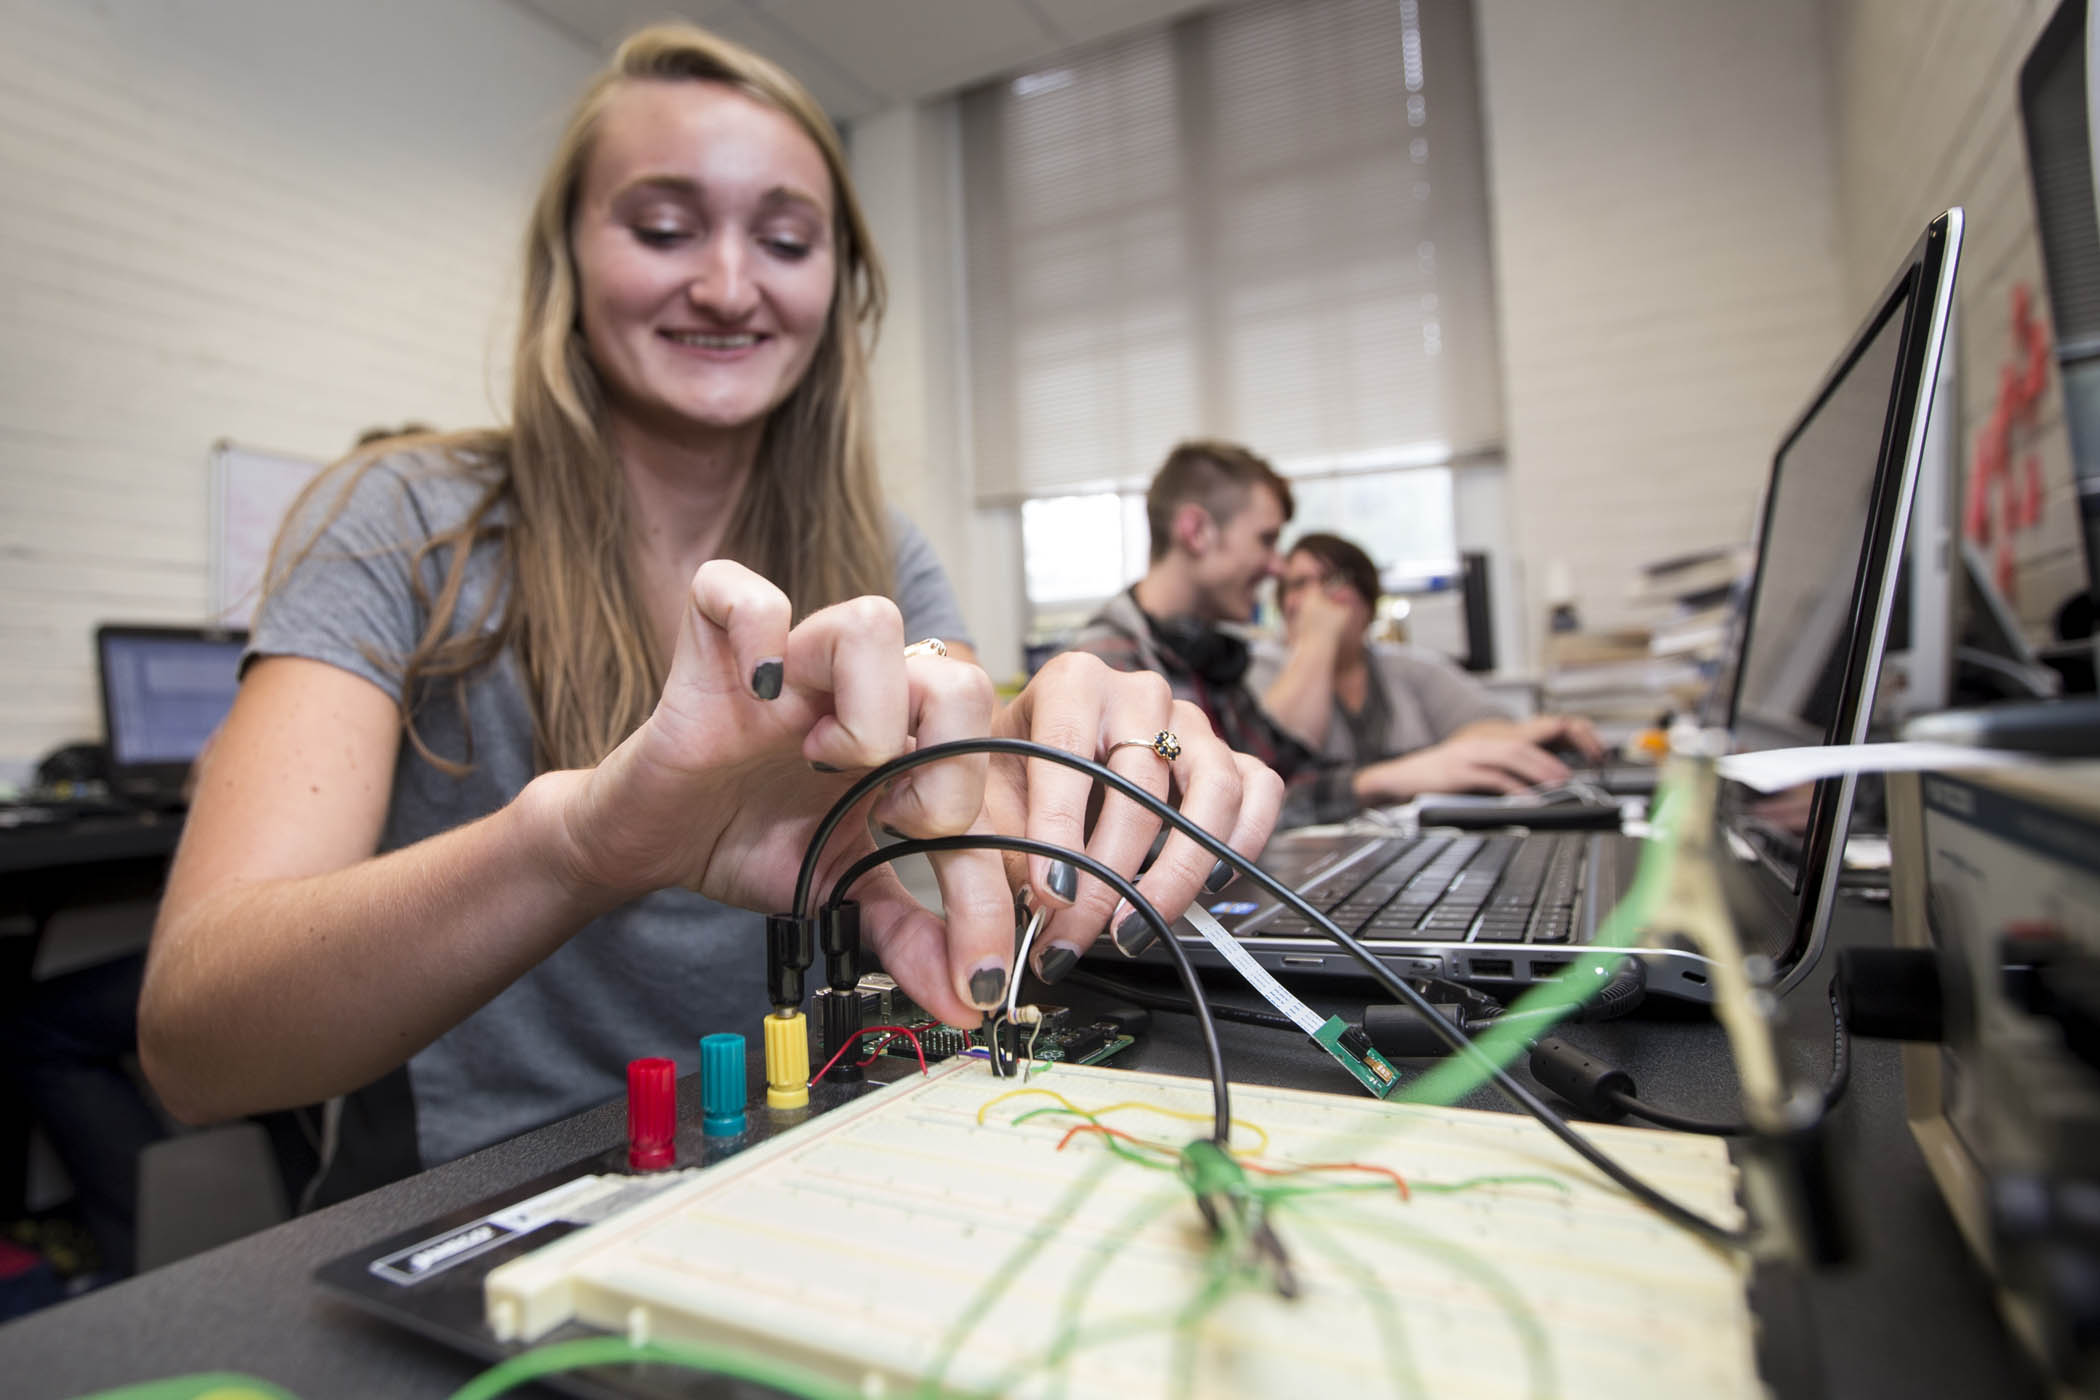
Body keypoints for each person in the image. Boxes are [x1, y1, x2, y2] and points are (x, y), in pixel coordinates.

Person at [137, 25, 1280, 1205]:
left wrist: (1052, 769)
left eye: (784, 240)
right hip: (468, 1207)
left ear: (839, 285)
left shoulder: (885, 554)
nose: (729, 285)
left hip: (802, 1171)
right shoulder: (399, 522)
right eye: (664, 227)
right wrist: (579, 843)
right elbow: (193, 1042)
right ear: (567, 259)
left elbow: (971, 802)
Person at [1066, 441, 1581, 841]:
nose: (1277, 566)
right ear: (1197, 531)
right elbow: (1203, 813)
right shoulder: (1110, 666)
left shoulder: (1208, 657)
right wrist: (1380, 781)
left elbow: (1279, 777)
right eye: (1267, 540)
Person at [1252, 531, 1605, 772]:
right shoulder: (1259, 669)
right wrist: (1318, 639)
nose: (1316, 600)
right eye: (1298, 584)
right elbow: (1279, 756)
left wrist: (1547, 729)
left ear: (1368, 599)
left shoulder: (1410, 668)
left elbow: (1485, 730)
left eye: (1333, 582)